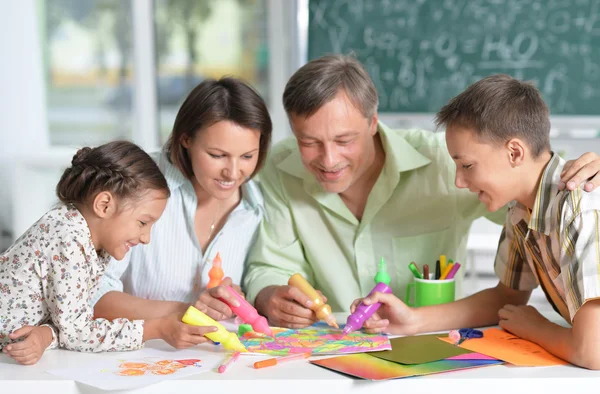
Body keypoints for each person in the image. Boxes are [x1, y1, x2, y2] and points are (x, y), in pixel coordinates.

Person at [243, 54, 600, 329]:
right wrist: (271, 295)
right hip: (332, 349)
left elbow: (534, 182)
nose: (329, 159)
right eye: (309, 142)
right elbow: (268, 265)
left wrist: (589, 175)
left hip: (436, 353)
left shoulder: (447, 162)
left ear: (372, 122)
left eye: (343, 140)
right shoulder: (277, 168)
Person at [353, 74, 600, 370]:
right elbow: (505, 298)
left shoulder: (579, 206)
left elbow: (592, 351)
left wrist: (537, 328)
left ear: (514, 152)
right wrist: (413, 319)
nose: (459, 181)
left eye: (467, 165)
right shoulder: (521, 210)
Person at [0, 141, 217, 365]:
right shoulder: (68, 237)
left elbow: (69, 325)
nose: (146, 238)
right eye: (143, 222)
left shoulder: (92, 244)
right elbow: (77, 334)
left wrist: (45, 335)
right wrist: (155, 328)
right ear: (104, 205)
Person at [92, 77, 272, 323]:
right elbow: (92, 294)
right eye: (217, 155)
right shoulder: (134, 183)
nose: (232, 172)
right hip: (132, 354)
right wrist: (184, 312)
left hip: (207, 356)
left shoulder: (255, 208)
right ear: (185, 138)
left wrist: (233, 301)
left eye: (247, 156)